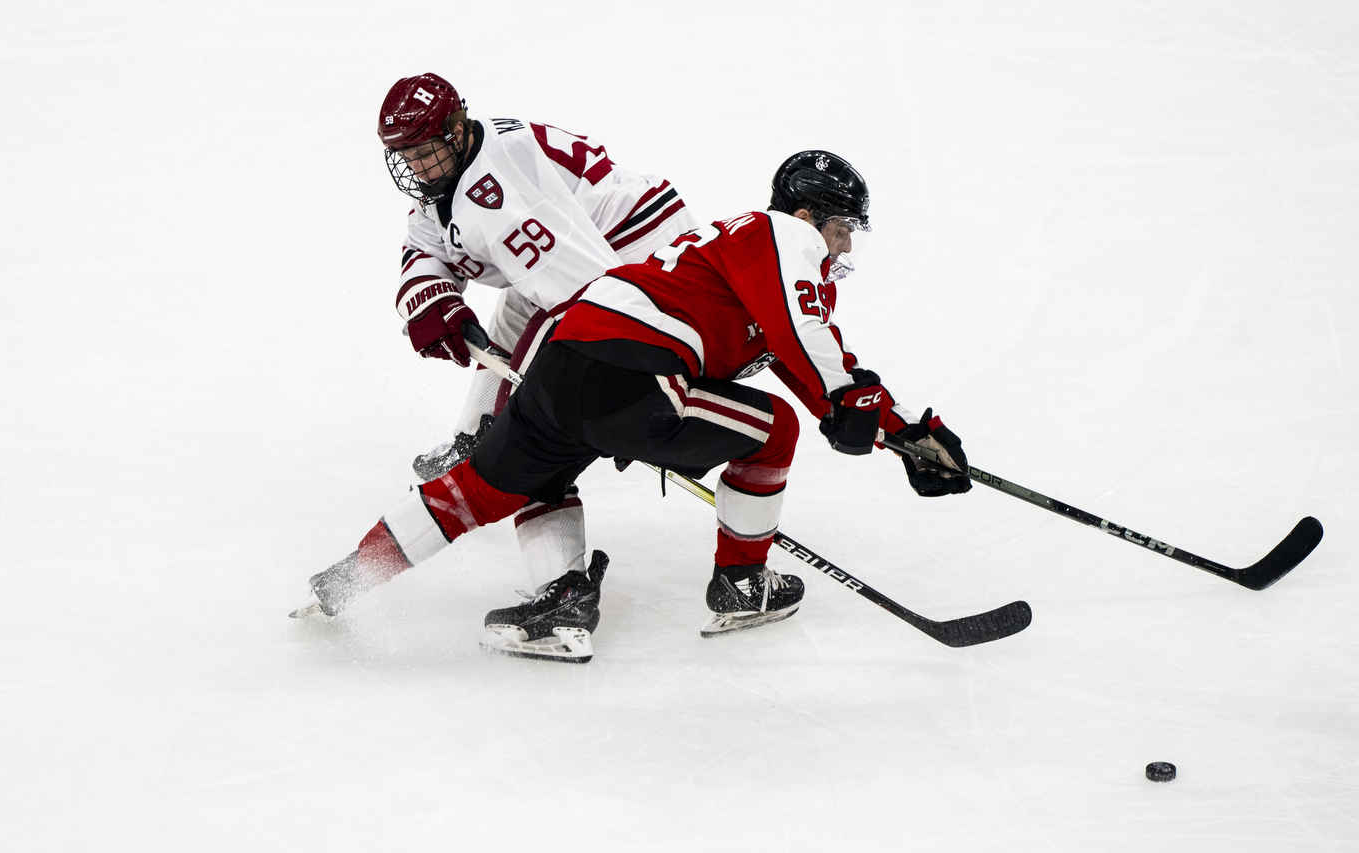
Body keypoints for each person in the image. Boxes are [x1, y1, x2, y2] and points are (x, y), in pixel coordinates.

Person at [293, 150, 972, 663]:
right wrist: (869, 412)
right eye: (843, 228)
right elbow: (810, 344)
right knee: (775, 429)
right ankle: (741, 586)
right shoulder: (778, 236)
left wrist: (894, 427)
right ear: (805, 216)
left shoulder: (743, 263)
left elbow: (811, 358)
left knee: (473, 493)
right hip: (632, 375)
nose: (846, 244)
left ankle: (348, 580)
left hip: (563, 362)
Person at [370, 72, 696, 633]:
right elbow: (424, 245)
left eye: (423, 151)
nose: (415, 168)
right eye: (404, 155)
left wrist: (626, 386)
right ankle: (476, 439)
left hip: (642, 262)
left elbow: (591, 295)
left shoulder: (501, 199)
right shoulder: (465, 165)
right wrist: (430, 299)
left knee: (538, 427)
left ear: (454, 129)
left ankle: (561, 589)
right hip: (606, 252)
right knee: (521, 328)